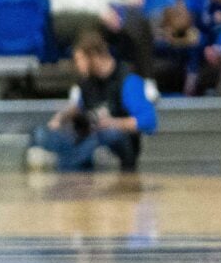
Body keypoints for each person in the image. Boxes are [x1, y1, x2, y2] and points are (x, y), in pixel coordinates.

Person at [24, 32, 154, 172]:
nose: (77, 65)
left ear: (93, 55)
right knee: (40, 133)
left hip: (114, 140)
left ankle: (67, 167)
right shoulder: (87, 82)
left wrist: (112, 123)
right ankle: (67, 162)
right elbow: (80, 108)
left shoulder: (127, 80)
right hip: (88, 136)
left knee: (106, 134)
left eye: (79, 60)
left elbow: (148, 121)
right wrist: (60, 118)